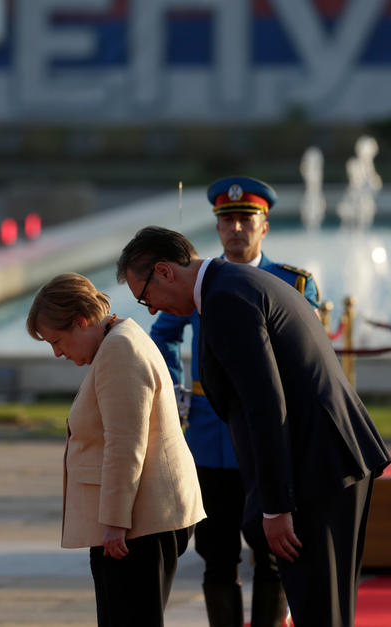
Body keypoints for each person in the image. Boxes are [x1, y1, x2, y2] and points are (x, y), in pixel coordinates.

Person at [117, 226, 391, 626]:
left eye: (145, 297)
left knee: (319, 611)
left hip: (316, 471)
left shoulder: (225, 298)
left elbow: (264, 405)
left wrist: (277, 505)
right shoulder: (233, 284)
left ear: (164, 271)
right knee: (330, 608)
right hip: (331, 461)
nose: (152, 309)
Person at [149, 176, 318, 626]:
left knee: (274, 551)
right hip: (211, 433)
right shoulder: (194, 282)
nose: (236, 229)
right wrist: (177, 388)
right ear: (218, 227)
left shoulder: (291, 283)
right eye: (227, 220)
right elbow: (163, 336)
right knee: (216, 551)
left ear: (264, 225)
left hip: (271, 435)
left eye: (246, 219)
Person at [25, 272, 205, 626]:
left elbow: (125, 444)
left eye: (57, 340)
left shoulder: (119, 349)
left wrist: (113, 522)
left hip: (138, 522)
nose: (58, 352)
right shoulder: (120, 339)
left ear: (81, 321)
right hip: (141, 516)